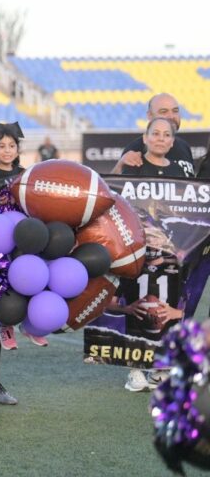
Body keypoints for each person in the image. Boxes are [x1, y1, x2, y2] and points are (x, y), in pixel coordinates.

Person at [116, 116, 189, 392]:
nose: (160, 138)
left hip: (170, 252)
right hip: (136, 250)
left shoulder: (179, 173)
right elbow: (113, 197)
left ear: (172, 142)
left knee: (165, 305)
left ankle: (160, 366)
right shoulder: (133, 167)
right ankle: (134, 369)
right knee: (137, 303)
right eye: (155, 133)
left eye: (166, 135)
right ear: (145, 138)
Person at [0, 122, 30, 407]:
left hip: (21, 247)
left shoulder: (27, 175)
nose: (7, 150)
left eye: (11, 146)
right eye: (1, 146)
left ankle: (26, 323)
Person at [111, 93, 195, 176]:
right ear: (150, 115)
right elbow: (116, 182)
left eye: (175, 111)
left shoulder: (184, 146)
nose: (171, 116)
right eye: (164, 111)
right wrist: (120, 165)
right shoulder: (135, 149)